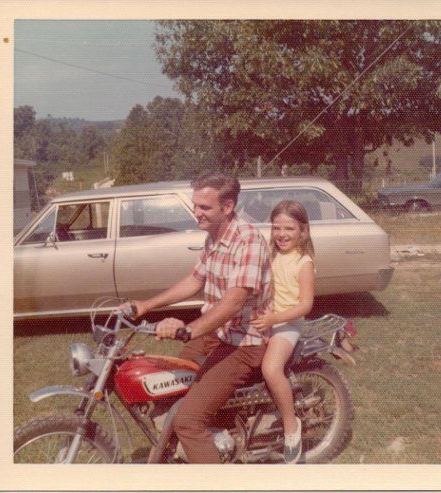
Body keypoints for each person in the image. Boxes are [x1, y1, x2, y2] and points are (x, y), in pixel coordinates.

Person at [122, 172, 273, 464]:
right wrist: (146, 305)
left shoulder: (248, 241)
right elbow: (194, 280)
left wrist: (189, 330)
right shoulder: (213, 238)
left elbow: (233, 303)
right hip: (215, 335)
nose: (196, 213)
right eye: (195, 206)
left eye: (204, 208)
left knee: (189, 422)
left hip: (243, 343)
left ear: (227, 207)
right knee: (164, 384)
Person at [251, 200, 315, 464]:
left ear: (303, 230)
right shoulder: (271, 253)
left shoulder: (304, 262)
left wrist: (275, 319)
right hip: (268, 317)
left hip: (288, 322)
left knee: (270, 368)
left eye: (288, 228)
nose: (281, 234)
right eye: (276, 227)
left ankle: (291, 426)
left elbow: (305, 305)